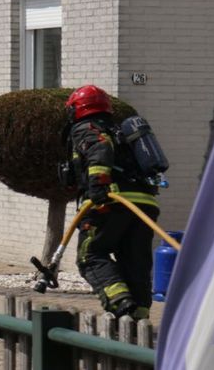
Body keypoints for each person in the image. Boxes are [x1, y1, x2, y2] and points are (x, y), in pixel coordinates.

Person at [67, 84, 161, 319]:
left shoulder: (86, 128)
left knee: (89, 255)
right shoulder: (119, 131)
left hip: (111, 201)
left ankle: (120, 303)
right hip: (145, 204)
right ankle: (139, 317)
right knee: (135, 261)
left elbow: (99, 148)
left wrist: (98, 186)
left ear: (77, 109)